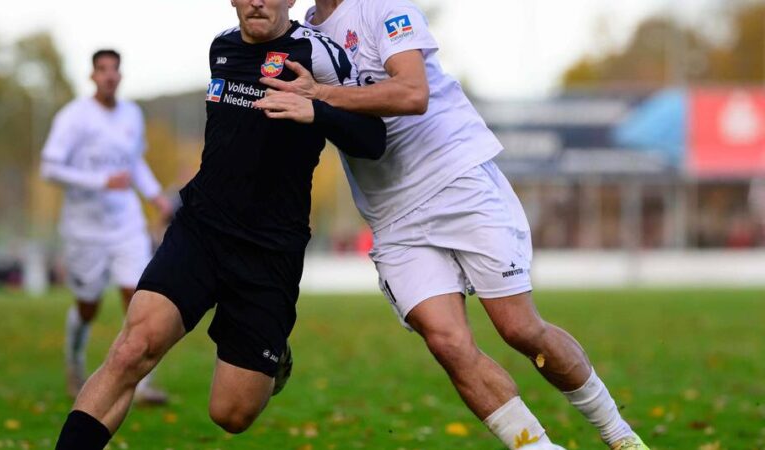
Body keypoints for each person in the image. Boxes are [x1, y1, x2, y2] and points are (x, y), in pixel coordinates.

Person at [255, 0, 650, 448]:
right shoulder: (303, 35)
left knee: (519, 328)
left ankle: (620, 436)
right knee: (447, 343)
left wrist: (321, 96)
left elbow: (413, 93)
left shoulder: (384, 8)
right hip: (393, 215)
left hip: (455, 177)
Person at [53, 0, 386, 448]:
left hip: (269, 251)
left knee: (231, 413)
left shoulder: (319, 53)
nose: (257, 1)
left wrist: (317, 110)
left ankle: (273, 353)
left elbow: (374, 139)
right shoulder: (222, 47)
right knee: (131, 351)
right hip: (201, 230)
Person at [41, 49, 173, 405]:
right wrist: (100, 181)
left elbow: (134, 162)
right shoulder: (73, 117)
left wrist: (155, 196)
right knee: (88, 306)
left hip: (126, 223)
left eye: (115, 69)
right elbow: (49, 168)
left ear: (121, 75)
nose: (109, 75)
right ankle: (74, 364)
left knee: (139, 297)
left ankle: (141, 384)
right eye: (102, 69)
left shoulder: (132, 114)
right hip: (85, 228)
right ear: (92, 76)